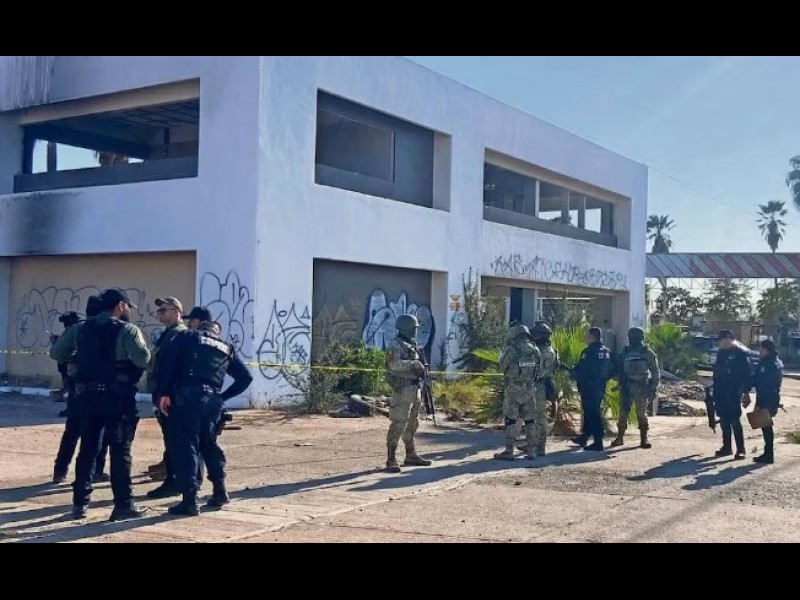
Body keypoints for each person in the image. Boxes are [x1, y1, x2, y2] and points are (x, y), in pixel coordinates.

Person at [157, 316, 252, 516]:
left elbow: (168, 363)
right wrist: (223, 397)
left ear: (201, 327)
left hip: (187, 398)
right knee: (208, 444)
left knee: (186, 446)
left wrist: (163, 392)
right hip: (212, 402)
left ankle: (190, 501)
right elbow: (246, 378)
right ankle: (220, 491)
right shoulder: (226, 347)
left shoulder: (188, 336)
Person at [70, 288, 151, 521]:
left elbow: (58, 353)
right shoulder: (127, 330)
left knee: (87, 449)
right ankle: (123, 505)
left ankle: (79, 504)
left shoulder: (81, 329)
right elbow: (143, 359)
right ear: (121, 306)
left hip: (87, 397)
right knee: (120, 450)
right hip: (118, 398)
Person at [50, 297, 111, 484]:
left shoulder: (77, 329)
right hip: (104, 388)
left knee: (72, 430)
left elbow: (57, 353)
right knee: (99, 433)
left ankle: (60, 470)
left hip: (79, 386)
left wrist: (74, 358)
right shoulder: (113, 328)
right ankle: (95, 471)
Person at [144, 297, 188, 498]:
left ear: (177, 312)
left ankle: (173, 480)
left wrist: (166, 393)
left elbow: (172, 368)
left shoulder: (179, 334)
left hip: (171, 396)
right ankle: (171, 475)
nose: (160, 313)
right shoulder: (169, 334)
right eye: (159, 310)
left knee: (174, 439)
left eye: (164, 310)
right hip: (162, 394)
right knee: (169, 438)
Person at [384, 314, 433, 473]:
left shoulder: (412, 344)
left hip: (415, 388)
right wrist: (414, 364)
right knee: (399, 423)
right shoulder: (395, 344)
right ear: (406, 328)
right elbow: (393, 364)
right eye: (413, 328)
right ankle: (391, 458)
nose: (415, 331)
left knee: (412, 423)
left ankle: (410, 454)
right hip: (402, 390)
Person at [493, 324, 541, 461]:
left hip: (513, 389)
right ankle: (531, 450)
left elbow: (501, 367)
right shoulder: (535, 350)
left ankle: (509, 451)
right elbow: (539, 370)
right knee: (530, 420)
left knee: (510, 420)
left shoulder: (511, 349)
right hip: (530, 390)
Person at [611, 327, 660, 450]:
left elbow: (655, 371)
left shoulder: (647, 352)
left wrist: (654, 388)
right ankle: (620, 437)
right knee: (623, 412)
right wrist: (619, 380)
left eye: (636, 337)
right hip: (626, 385)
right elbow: (619, 368)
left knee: (641, 413)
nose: (633, 340)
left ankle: (644, 438)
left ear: (641, 338)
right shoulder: (625, 352)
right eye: (631, 337)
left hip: (641, 386)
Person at [571, 327, 614, 452]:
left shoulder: (589, 352)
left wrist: (574, 373)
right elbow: (612, 369)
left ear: (592, 337)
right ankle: (584, 437)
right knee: (590, 412)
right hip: (600, 386)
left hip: (589, 387)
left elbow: (582, 369)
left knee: (593, 414)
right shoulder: (607, 352)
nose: (585, 338)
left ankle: (598, 442)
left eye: (587, 335)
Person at [711, 330, 751, 460]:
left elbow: (746, 374)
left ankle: (741, 449)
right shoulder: (721, 353)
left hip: (733, 391)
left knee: (734, 419)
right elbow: (717, 372)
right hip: (720, 391)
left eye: (722, 340)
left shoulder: (740, 353)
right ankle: (726, 447)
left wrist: (746, 391)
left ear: (729, 339)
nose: (720, 343)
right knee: (723, 419)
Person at [516, 322, 555, 457]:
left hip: (537, 386)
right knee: (531, 416)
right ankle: (531, 444)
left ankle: (539, 447)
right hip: (536, 385)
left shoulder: (543, 352)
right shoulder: (546, 350)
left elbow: (533, 368)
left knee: (538, 418)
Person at [745, 339, 783, 464]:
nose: (759, 352)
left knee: (766, 426)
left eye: (760, 349)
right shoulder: (776, 362)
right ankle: (767, 453)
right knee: (765, 426)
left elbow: (760, 381)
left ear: (766, 349)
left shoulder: (767, 364)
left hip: (766, 398)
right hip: (772, 397)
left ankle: (769, 455)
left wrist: (748, 388)